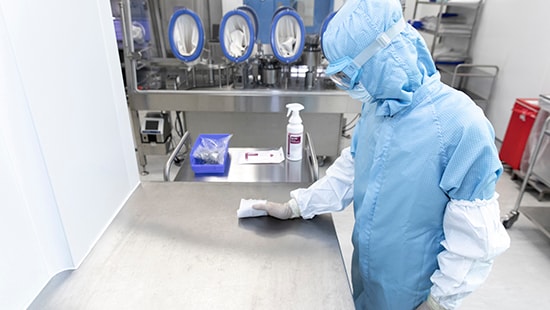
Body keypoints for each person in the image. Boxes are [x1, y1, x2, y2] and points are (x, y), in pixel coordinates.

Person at [252, 0, 511, 309]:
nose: (348, 86)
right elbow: (350, 170)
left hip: (414, 293)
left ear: (383, 57)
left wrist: (439, 301)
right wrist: (298, 204)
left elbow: (475, 239)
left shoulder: (460, 125)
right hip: (368, 273)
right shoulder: (378, 108)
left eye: (348, 74)